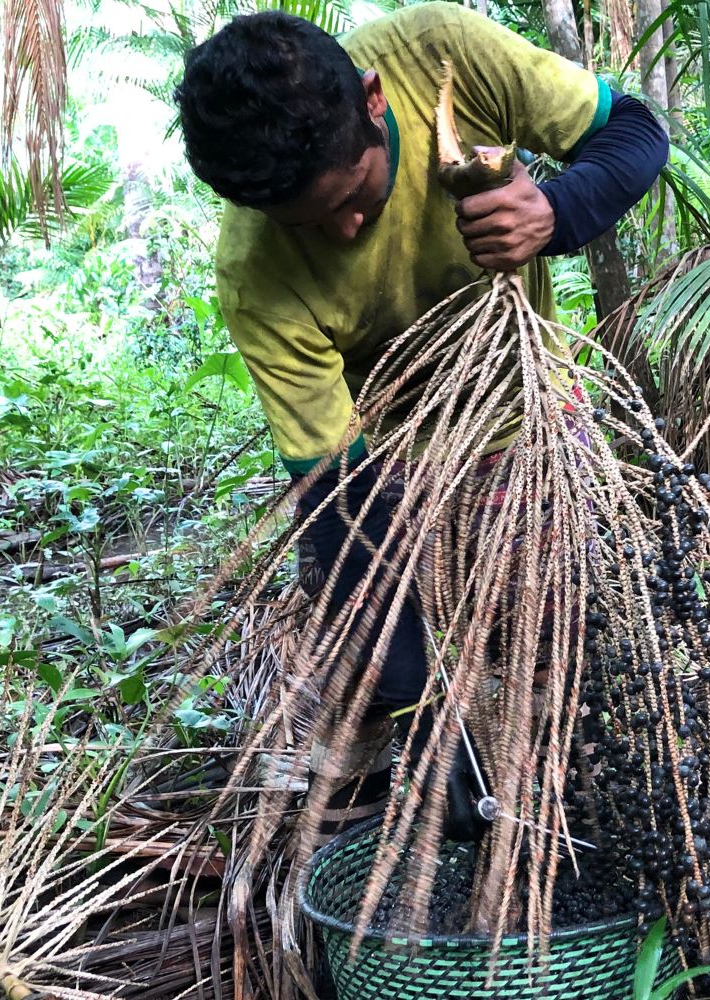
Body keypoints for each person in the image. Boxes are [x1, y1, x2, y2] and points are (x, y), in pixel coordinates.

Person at [175, 4, 668, 833]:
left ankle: (564, 814)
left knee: (552, 655)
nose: (344, 230)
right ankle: (381, 815)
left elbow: (638, 133)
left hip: (525, 421)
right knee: (367, 670)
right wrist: (414, 705)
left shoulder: (442, 55)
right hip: (392, 451)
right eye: (308, 223)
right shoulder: (257, 274)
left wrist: (556, 212)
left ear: (373, 100)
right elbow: (340, 498)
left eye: (352, 196)